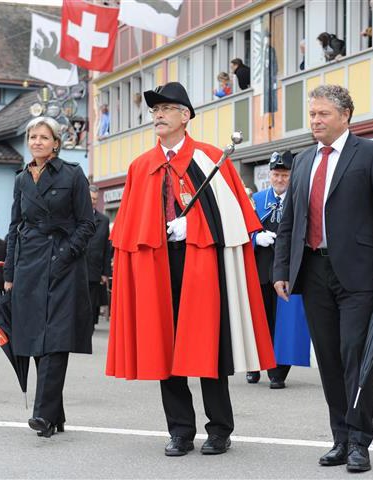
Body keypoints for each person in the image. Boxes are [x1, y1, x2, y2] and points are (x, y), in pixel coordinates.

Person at [106, 81, 275, 457]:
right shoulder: (141, 167)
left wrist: (194, 225)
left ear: (185, 116)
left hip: (202, 264)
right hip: (157, 266)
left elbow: (234, 221)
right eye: (154, 110)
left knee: (207, 347)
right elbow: (130, 229)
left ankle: (219, 430)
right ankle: (180, 430)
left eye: (165, 109)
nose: (158, 116)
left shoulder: (211, 159)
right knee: (165, 349)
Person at [273, 85, 373, 473]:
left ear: (345, 115)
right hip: (312, 271)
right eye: (312, 114)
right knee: (328, 359)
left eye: (323, 114)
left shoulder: (371, 153)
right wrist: (282, 269)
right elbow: (289, 222)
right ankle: (340, 438)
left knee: (354, 356)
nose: (315, 121)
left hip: (359, 274)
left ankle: (360, 441)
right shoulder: (301, 161)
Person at [3, 116, 95, 438]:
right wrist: (10, 272)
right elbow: (14, 227)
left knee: (55, 339)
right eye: (32, 136)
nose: (37, 141)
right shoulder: (21, 179)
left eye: (44, 137)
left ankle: (42, 414)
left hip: (63, 265)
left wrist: (64, 255)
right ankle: (55, 413)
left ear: (56, 142)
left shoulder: (73, 174)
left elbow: (88, 223)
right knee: (36, 340)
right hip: (28, 265)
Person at [246, 150, 294, 389]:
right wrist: (256, 238)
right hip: (261, 271)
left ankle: (278, 372)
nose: (280, 180)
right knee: (258, 320)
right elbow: (243, 230)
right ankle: (253, 365)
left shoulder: (297, 199)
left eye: (284, 175)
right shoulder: (258, 199)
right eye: (276, 174)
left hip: (285, 271)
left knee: (282, 323)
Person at [86, 185, 112, 329]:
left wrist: (105, 272)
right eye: (91, 198)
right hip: (79, 267)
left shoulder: (104, 220)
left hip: (95, 268)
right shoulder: (77, 216)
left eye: (95, 199)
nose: (93, 201)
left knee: (92, 302)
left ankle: (89, 327)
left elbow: (106, 248)